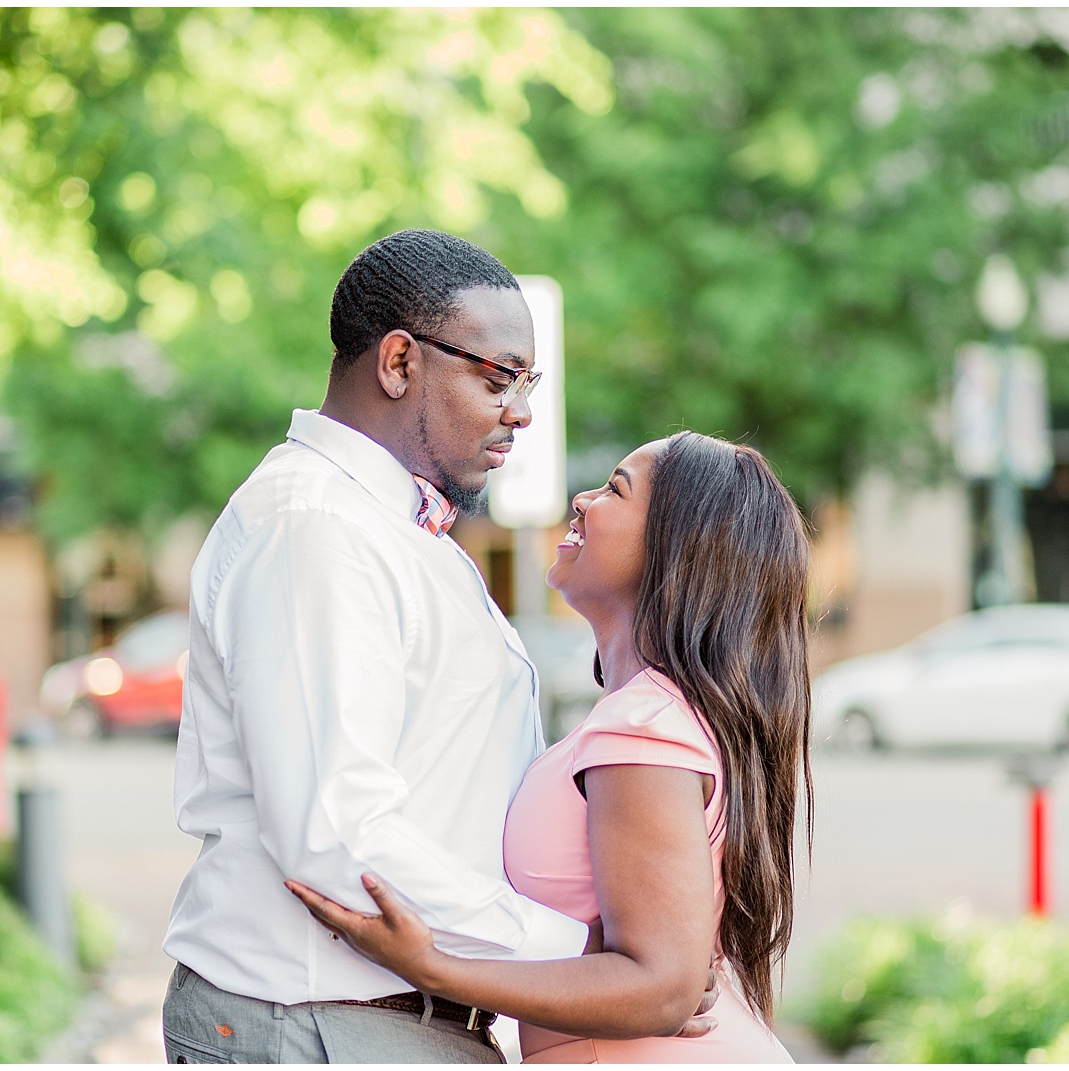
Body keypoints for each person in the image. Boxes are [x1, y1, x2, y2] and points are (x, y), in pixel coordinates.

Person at [161, 230, 709, 1064]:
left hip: (374, 1019)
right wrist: (581, 948)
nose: (521, 412)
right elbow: (339, 840)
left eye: (531, 384)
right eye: (499, 378)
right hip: (312, 1019)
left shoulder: (397, 531)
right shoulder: (318, 529)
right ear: (398, 363)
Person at [289, 431, 814, 1063]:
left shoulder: (643, 726)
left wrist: (433, 967)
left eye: (615, 490)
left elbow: (663, 989)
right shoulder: (656, 715)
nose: (584, 500)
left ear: (678, 550)